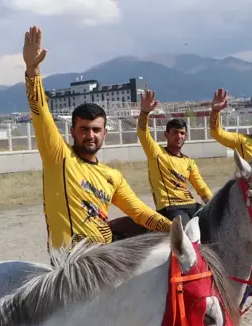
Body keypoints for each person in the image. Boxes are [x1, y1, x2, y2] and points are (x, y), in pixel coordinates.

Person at [22, 25, 172, 252]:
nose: (90, 135)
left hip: (103, 257)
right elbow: (40, 113)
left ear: (105, 133)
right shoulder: (59, 158)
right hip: (70, 264)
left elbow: (139, 212)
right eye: (83, 129)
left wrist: (174, 228)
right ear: (73, 132)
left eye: (95, 129)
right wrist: (32, 71)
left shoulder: (112, 177)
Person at [137, 89, 212, 226]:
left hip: (191, 205)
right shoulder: (156, 153)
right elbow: (143, 133)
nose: (179, 136)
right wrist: (145, 113)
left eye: (182, 133)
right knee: (187, 233)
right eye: (175, 132)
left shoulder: (188, 161)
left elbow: (201, 187)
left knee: (218, 223)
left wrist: (213, 205)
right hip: (170, 207)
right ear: (166, 135)